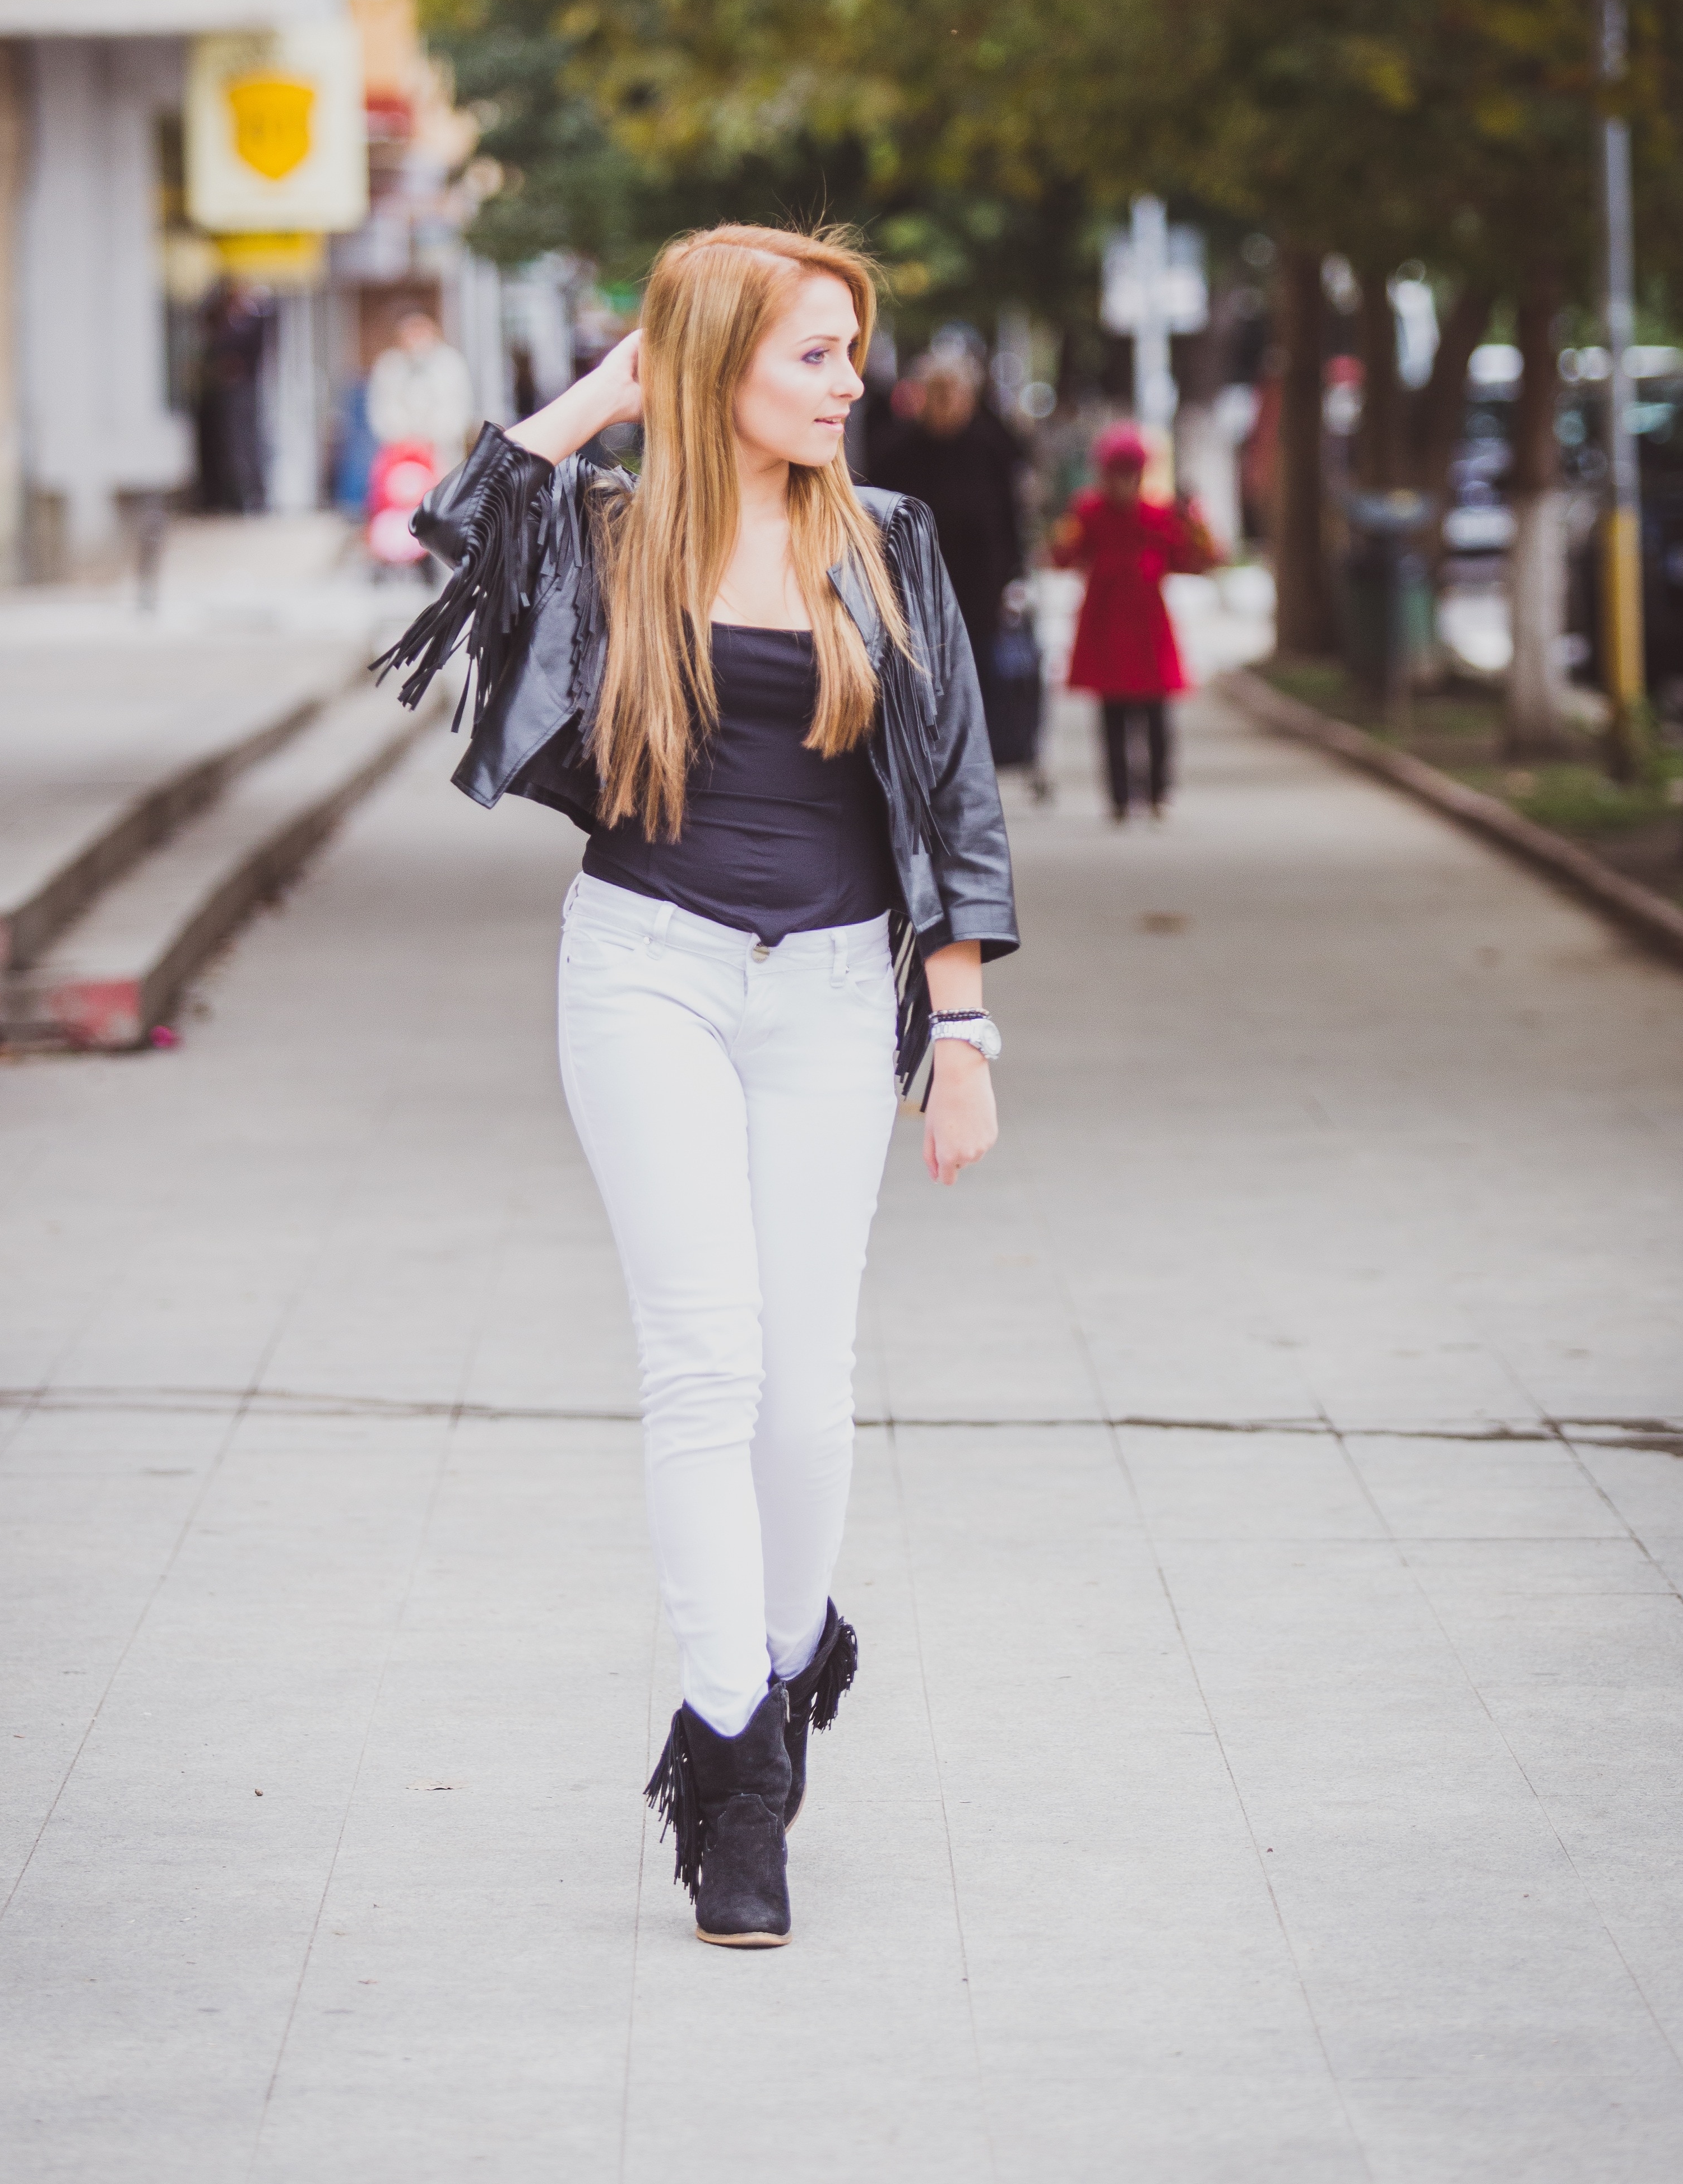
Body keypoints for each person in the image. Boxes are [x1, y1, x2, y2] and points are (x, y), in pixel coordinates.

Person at [375, 225, 1017, 1950]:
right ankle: (730, 1767)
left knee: (806, 1389)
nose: (850, 383)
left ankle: (792, 1645)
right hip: (644, 971)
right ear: (721, 361)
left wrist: (962, 1035)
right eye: (814, 352)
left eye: (853, 351)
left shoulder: (887, 543)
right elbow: (461, 515)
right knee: (706, 1361)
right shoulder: (608, 538)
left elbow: (951, 789)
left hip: (824, 992)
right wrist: (626, 377)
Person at [1054, 423, 1218, 820]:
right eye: (1117, 473)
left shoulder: (1160, 515)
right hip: (1106, 622)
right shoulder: (1088, 512)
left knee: (1156, 712)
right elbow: (1063, 555)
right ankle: (1120, 796)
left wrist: (1195, 521)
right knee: (1113, 713)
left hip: (1147, 624)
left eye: (1131, 473)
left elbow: (1196, 559)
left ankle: (1159, 788)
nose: (1124, 483)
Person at [871, 346, 1026, 747]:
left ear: (969, 397)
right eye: (936, 391)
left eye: (953, 391)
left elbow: (1011, 516)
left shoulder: (991, 447)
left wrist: (1016, 576)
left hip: (978, 586)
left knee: (975, 672)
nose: (944, 401)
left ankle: (976, 749)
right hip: (912, 586)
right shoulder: (895, 450)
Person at [365, 307, 478, 472]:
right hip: (401, 455)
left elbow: (459, 408)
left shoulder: (451, 363)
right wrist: (404, 438)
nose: (415, 337)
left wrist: (434, 437)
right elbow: (381, 408)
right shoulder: (389, 364)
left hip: (442, 453)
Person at [194, 277, 270, 514]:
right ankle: (236, 497)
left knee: (246, 444)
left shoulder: (252, 324)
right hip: (229, 394)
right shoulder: (226, 324)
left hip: (243, 391)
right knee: (233, 446)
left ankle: (251, 496)